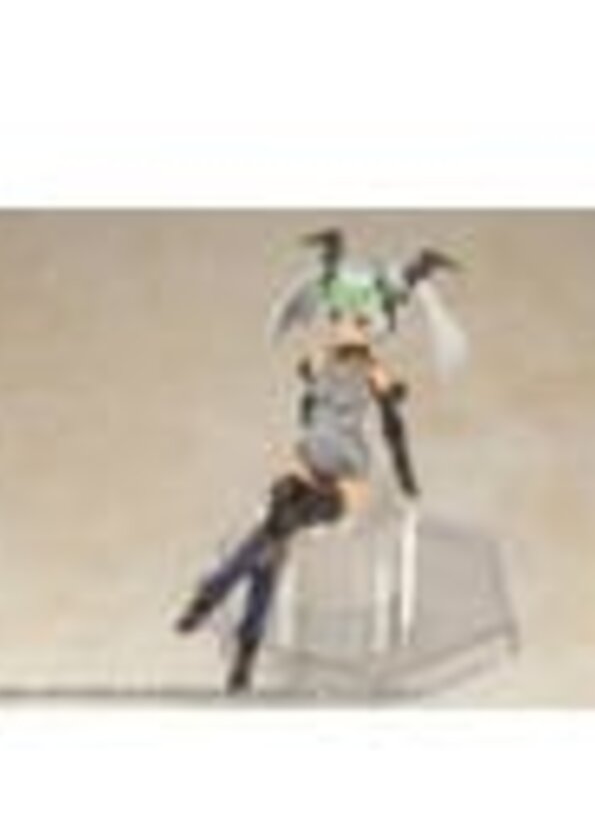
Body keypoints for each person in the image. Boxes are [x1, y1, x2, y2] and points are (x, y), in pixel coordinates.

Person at [173, 230, 464, 693]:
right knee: (272, 545)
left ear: (379, 322)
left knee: (279, 525)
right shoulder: (318, 360)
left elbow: (393, 428)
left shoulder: (372, 371)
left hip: (345, 477)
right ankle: (243, 656)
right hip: (305, 463)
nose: (348, 324)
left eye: (361, 318)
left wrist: (407, 476)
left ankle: (213, 592)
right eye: (340, 315)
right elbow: (308, 412)